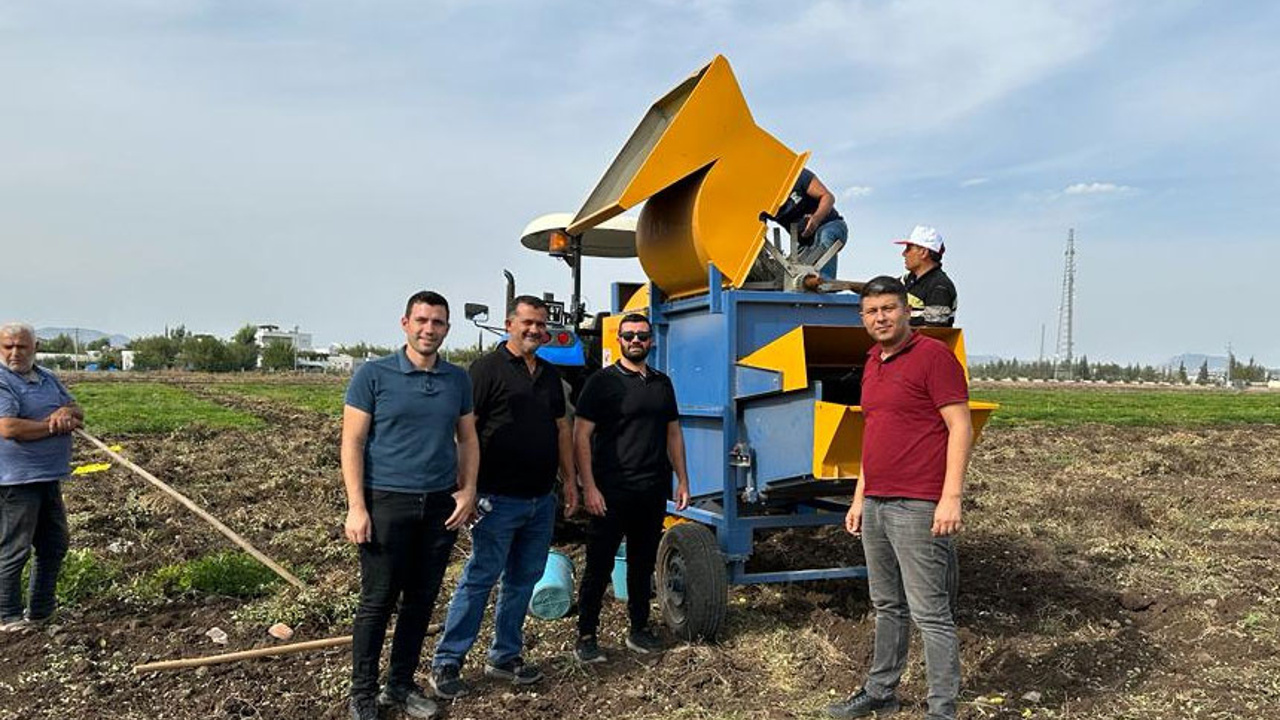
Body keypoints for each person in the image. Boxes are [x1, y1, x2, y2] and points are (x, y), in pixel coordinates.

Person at [830, 277, 973, 720]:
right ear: (862, 318)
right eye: (872, 312)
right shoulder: (872, 361)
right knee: (886, 605)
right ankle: (881, 690)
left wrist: (951, 498)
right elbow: (874, 436)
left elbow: (960, 427)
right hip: (876, 503)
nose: (881, 318)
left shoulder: (935, 357)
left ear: (906, 310)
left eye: (889, 309)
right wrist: (859, 497)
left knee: (930, 613)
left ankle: (941, 709)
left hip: (918, 504)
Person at [429, 296, 577, 699]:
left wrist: (569, 482)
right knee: (480, 578)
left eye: (540, 325)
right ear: (510, 323)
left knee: (522, 580)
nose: (535, 330)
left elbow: (563, 430)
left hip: (539, 499)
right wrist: (466, 488)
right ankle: (447, 661)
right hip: (496, 498)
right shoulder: (485, 370)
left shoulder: (549, 374)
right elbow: (466, 431)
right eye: (527, 322)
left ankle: (505, 654)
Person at [341, 291, 479, 720]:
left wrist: (469, 490)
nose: (429, 329)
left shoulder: (457, 380)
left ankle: (399, 686)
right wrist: (356, 506)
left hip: (439, 505)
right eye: (422, 320)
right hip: (387, 502)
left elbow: (468, 438)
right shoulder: (374, 375)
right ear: (405, 323)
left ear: (447, 329)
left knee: (420, 601)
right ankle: (362, 693)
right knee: (377, 601)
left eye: (437, 323)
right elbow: (352, 441)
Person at [572, 313, 691, 663]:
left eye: (642, 335)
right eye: (629, 336)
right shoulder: (601, 383)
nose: (635, 341)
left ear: (651, 341)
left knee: (641, 564)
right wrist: (588, 486)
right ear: (619, 340)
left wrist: (682, 478)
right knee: (599, 565)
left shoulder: (661, 383)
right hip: (610, 491)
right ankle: (586, 634)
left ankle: (639, 629)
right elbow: (581, 435)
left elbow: (673, 433)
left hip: (651, 489)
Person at [0, 323, 83, 632]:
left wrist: (65, 410)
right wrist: (54, 424)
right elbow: (9, 428)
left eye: (21, 346)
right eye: (7, 346)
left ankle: (41, 611)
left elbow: (78, 411)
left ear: (35, 348)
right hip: (15, 480)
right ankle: (7, 617)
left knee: (54, 544)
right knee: (14, 549)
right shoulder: (2, 380)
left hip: (48, 476)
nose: (14, 352)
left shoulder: (46, 378)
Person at [774, 167, 847, 278]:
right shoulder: (762, 200)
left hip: (832, 226)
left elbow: (828, 197)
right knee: (792, 273)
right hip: (806, 243)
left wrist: (816, 219)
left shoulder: (796, 174)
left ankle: (825, 284)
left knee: (825, 236)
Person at [894, 225, 957, 327]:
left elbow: (933, 332)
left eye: (908, 248)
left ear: (923, 252)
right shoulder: (908, 279)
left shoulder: (939, 287)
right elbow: (883, 288)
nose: (904, 253)